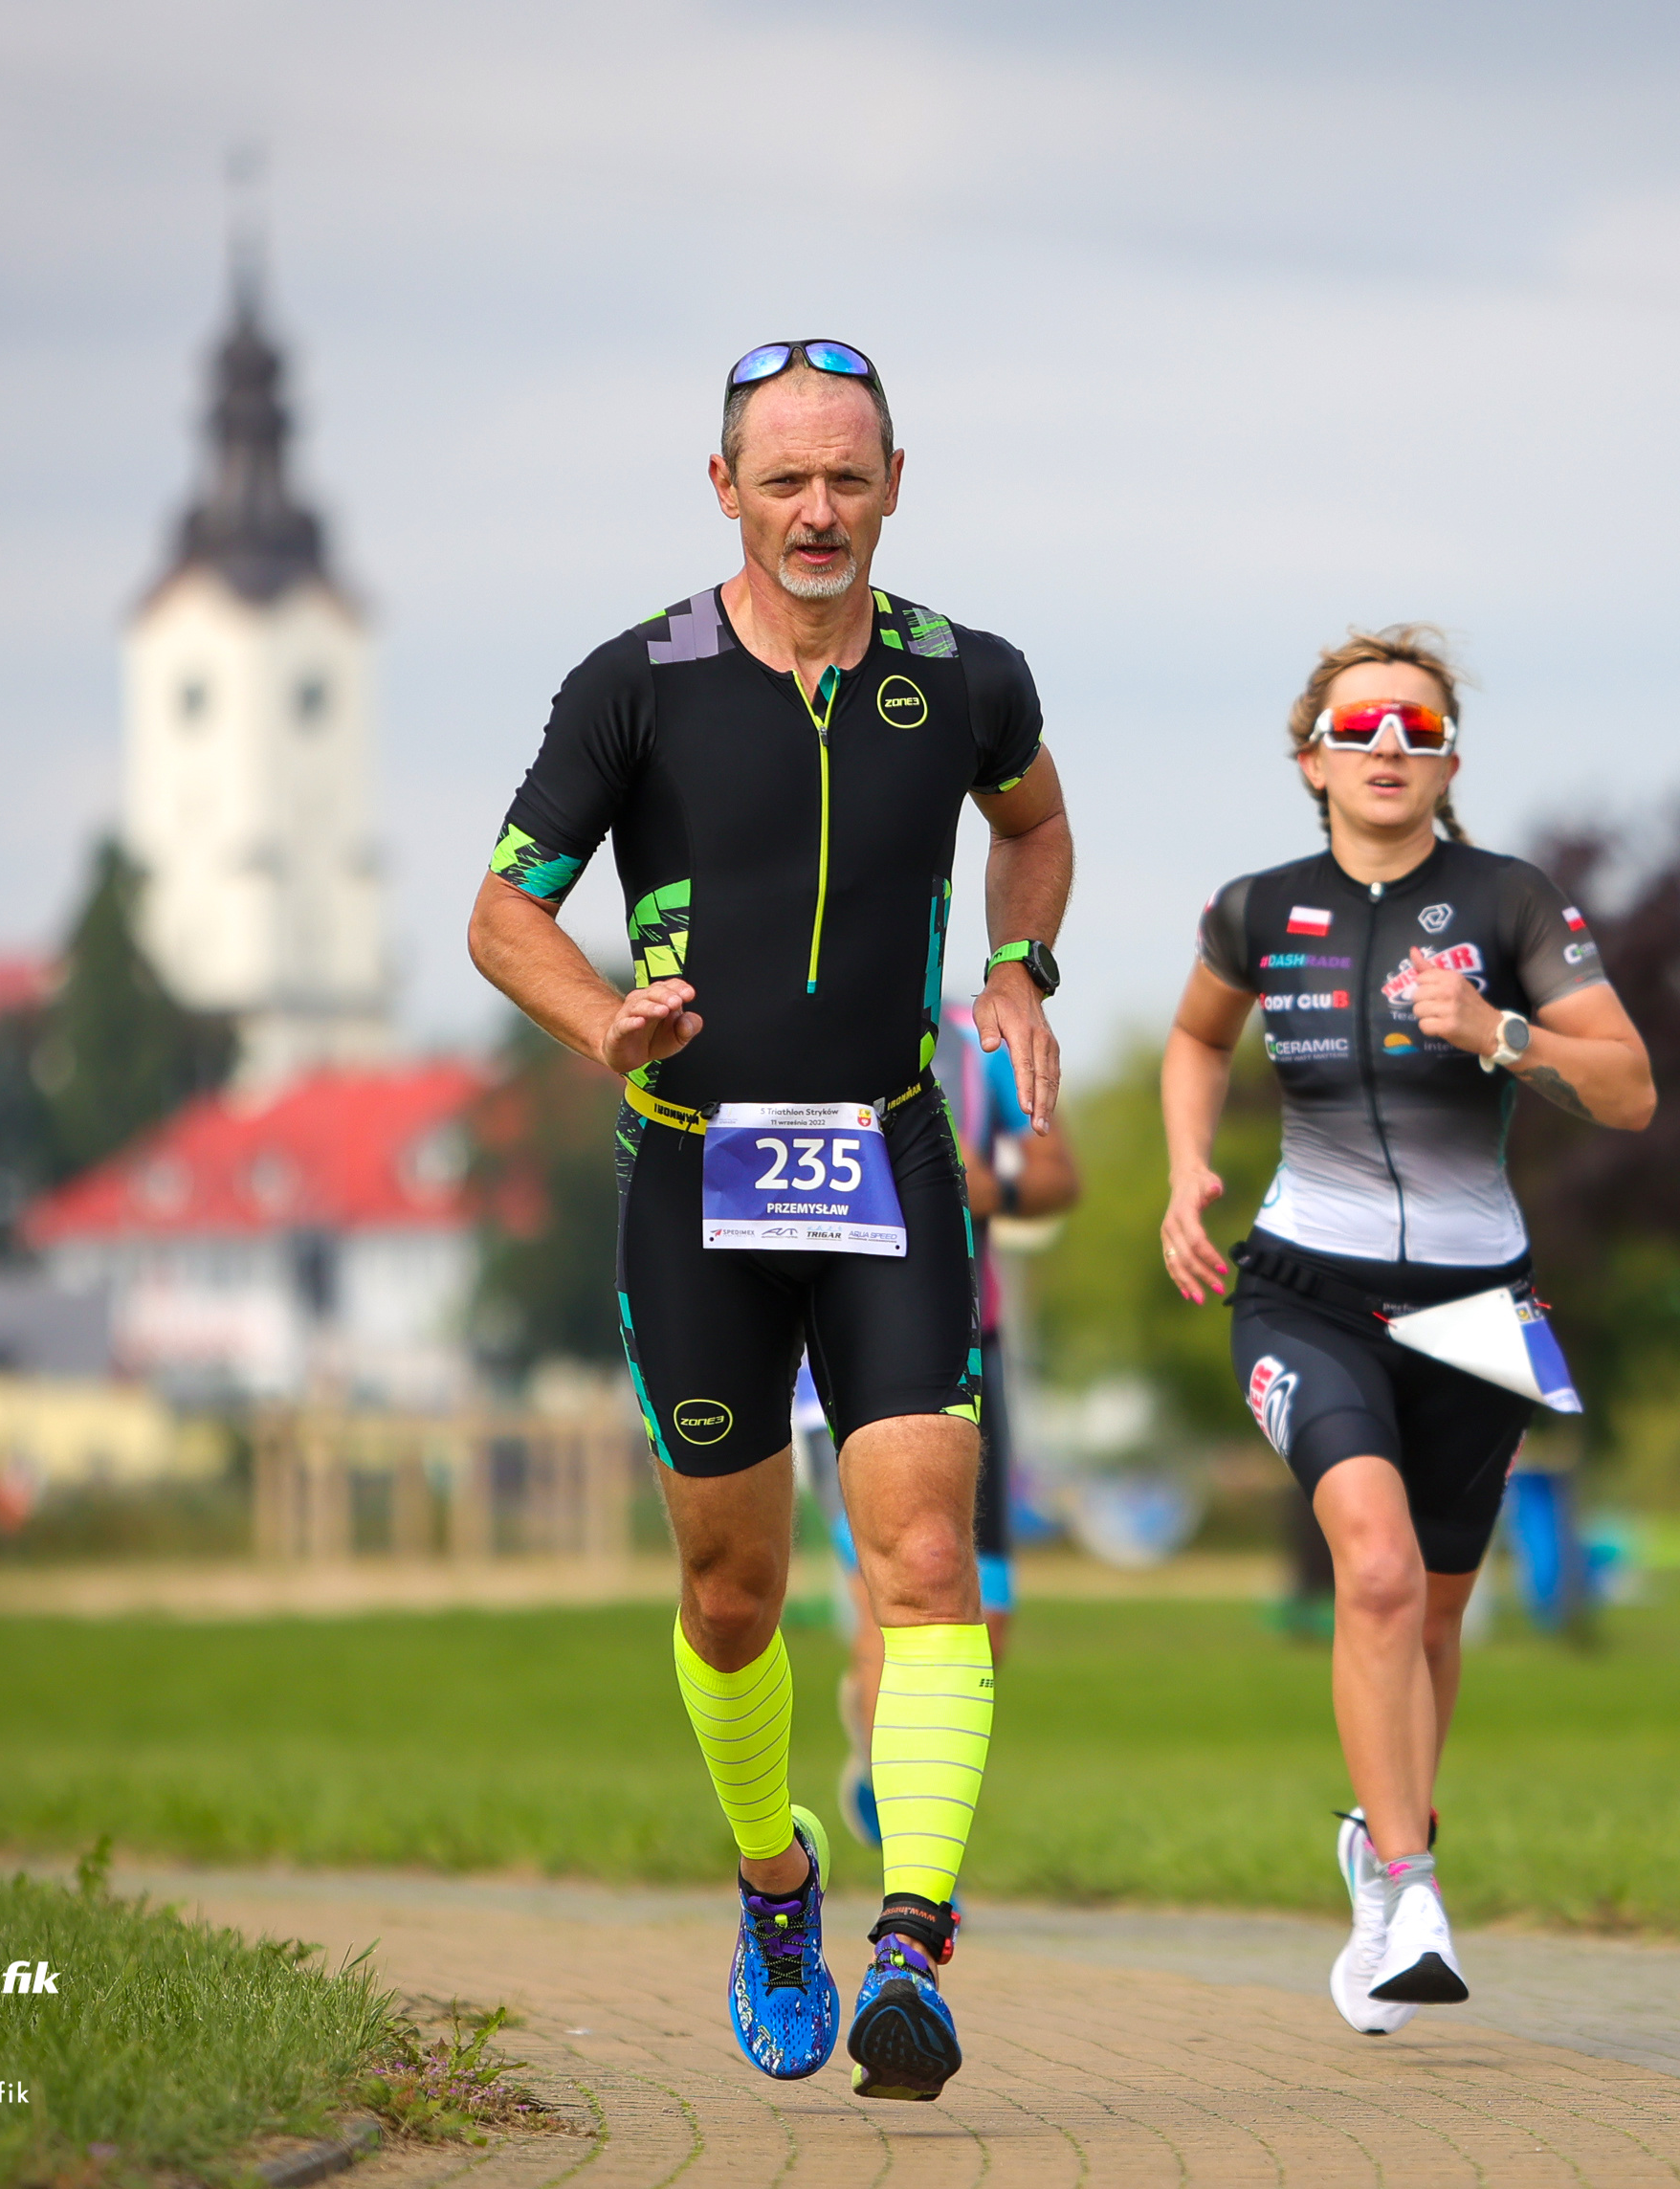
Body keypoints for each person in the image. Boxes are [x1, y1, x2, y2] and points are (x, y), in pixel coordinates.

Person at [469, 339, 1072, 2101]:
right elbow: (504, 910)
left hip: (889, 1163)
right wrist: (600, 1023)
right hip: (695, 1173)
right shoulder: (632, 682)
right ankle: (777, 1883)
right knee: (731, 1595)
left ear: (896, 482)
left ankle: (916, 1941)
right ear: (722, 486)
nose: (818, 509)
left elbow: (1032, 832)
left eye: (849, 476)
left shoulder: (969, 676)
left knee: (925, 1556)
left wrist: (1020, 970)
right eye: (784, 478)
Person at [1157, 626, 1654, 2034]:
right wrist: (1188, 1165)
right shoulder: (1257, 910)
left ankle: (1379, 1855)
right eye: (1361, 724)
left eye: (1418, 728)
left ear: (1447, 760)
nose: (1389, 746)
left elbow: (1629, 1091)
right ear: (1311, 756)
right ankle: (1411, 1887)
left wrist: (1500, 1035)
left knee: (1434, 1610)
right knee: (1372, 1575)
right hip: (1302, 1289)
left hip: (1478, 1306)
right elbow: (1198, 1039)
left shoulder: (1510, 905)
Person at [813, 990, 1076, 1848]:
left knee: (985, 1621)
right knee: (891, 1597)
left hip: (967, 1346)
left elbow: (1054, 1178)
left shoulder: (978, 1043)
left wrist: (966, 1175)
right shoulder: (797, 1022)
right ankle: (911, 1852)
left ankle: (891, 1760)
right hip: (835, 1354)